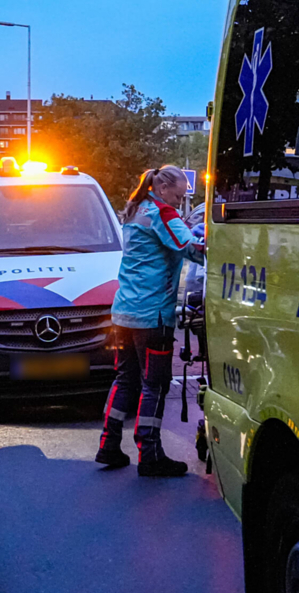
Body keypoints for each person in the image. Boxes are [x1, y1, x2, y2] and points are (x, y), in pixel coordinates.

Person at [96, 165, 205, 477]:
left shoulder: (134, 210)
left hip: (124, 312)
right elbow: (192, 249)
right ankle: (150, 453)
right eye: (178, 196)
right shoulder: (163, 213)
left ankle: (108, 444)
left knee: (124, 380)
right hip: (153, 315)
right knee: (154, 384)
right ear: (163, 189)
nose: (180, 203)